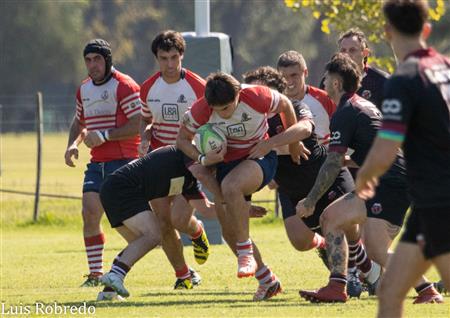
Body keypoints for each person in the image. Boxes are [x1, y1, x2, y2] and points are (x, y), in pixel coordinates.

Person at [296, 53, 441, 303]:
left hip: (389, 182)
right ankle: (337, 286)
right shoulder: (360, 106)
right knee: (332, 219)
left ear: (337, 84)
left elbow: (332, 163)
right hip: (387, 178)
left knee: (375, 250)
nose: (323, 82)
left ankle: (427, 290)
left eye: (327, 78)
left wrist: (310, 200)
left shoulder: (346, 111)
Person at [356, 1, 450, 316]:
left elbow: (387, 143)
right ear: (426, 29)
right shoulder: (445, 67)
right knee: (391, 291)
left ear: (386, 31)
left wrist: (365, 174)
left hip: (440, 199)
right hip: (428, 204)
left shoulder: (405, 78)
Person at [177, 72, 299, 301]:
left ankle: (245, 253)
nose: (224, 113)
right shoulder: (202, 108)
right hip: (226, 164)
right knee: (229, 232)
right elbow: (181, 140)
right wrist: (203, 159)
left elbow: (286, 104)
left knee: (231, 186)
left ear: (238, 94)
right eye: (218, 109)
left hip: (259, 157)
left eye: (228, 107)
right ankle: (268, 281)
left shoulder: (257, 96)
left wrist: (293, 144)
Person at [242, 66, 354, 271]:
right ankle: (346, 267)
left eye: (259, 92)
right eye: (250, 92)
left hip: (323, 174)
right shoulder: (247, 121)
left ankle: (357, 275)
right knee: (300, 241)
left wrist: (274, 143)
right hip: (291, 185)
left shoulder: (295, 105)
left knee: (348, 231)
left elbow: (303, 128)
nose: (254, 98)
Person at [64, 39, 141, 288]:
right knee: (89, 212)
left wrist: (106, 135)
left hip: (125, 161)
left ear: (107, 60)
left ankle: (180, 267)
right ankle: (96, 274)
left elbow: (137, 124)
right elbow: (79, 123)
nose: (92, 65)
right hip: (98, 163)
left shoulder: (125, 85)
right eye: (88, 60)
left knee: (136, 227)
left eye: (97, 59)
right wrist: (72, 144)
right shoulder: (84, 89)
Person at [139, 30, 209, 289]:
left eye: (173, 57)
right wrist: (144, 137)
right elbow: (146, 118)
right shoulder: (147, 87)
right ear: (156, 58)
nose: (169, 64)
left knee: (180, 219)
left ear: (182, 56)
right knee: (163, 222)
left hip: (187, 159)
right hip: (159, 159)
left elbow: (210, 124)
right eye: (163, 58)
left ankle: (196, 231)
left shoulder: (198, 87)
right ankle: (183, 276)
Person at [98, 146, 217, 299]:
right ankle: (115, 275)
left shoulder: (190, 180)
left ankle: (108, 292)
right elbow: (200, 171)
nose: (209, 176)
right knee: (154, 235)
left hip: (113, 190)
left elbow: (206, 209)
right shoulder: (181, 153)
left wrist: (240, 210)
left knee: (138, 243)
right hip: (121, 189)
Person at [277, 50, 336, 146]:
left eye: (294, 75)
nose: (289, 81)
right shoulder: (273, 103)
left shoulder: (325, 98)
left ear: (305, 72)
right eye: (284, 77)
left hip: (322, 158)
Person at [320, 28, 389, 110]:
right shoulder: (328, 81)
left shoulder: (382, 81)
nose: (347, 55)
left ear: (365, 53)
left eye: (352, 50)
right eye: (343, 50)